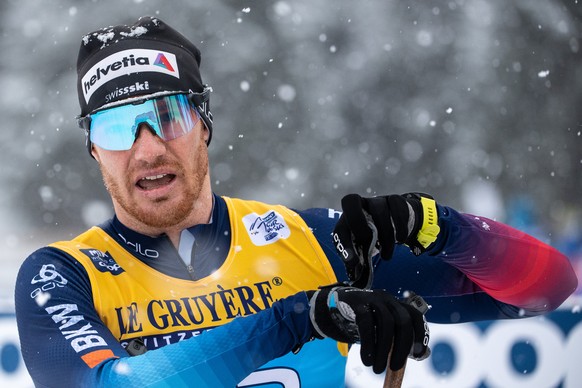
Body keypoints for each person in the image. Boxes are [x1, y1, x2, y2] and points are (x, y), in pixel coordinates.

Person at [14, 16, 577, 388]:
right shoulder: (62, 277)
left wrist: (437, 225)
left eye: (168, 115)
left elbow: (547, 287)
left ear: (203, 122)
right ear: (92, 147)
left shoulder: (307, 242)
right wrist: (299, 318)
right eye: (116, 127)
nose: (148, 148)